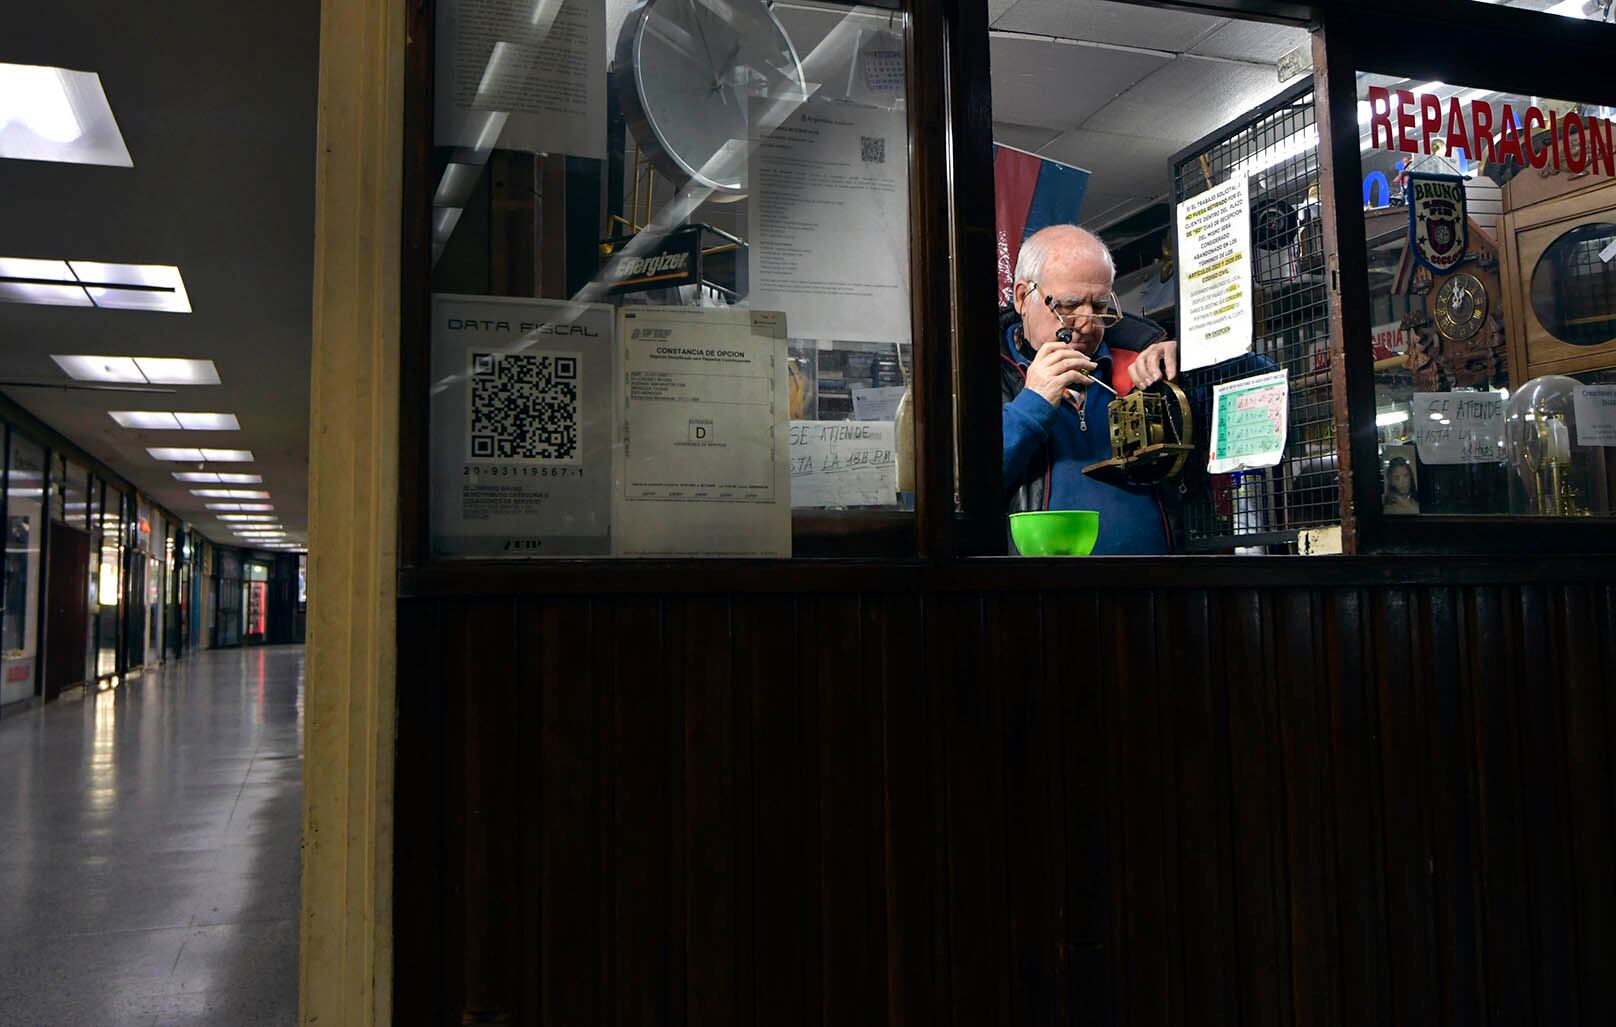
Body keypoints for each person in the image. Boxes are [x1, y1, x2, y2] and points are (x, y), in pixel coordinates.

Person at [1000, 225, 1182, 554]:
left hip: (1161, 590)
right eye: (1068, 306)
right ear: (1022, 297)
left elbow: (1263, 384)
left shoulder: (1142, 360)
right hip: (1032, 596)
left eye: (1099, 307)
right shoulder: (976, 377)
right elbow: (955, 492)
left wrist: (1195, 357)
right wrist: (1031, 406)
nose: (1087, 324)